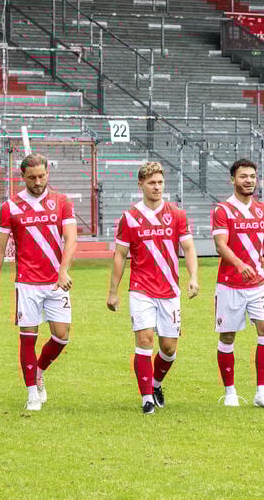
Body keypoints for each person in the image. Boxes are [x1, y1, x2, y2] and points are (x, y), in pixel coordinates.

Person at [0, 154, 78, 412]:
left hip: (56, 282)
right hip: (26, 282)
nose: (38, 182)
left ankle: (38, 370)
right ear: (22, 177)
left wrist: (63, 271)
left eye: (42, 176)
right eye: (32, 177)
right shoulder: (10, 207)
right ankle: (31, 394)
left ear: (48, 173)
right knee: (28, 338)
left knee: (61, 336)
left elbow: (71, 239)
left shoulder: (62, 202)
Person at [107, 162, 199, 414]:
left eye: (160, 182)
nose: (157, 187)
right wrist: (113, 291)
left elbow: (189, 248)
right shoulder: (129, 217)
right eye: (151, 183)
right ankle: (146, 398)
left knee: (168, 349)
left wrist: (193, 276)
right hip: (141, 289)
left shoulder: (177, 214)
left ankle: (156, 384)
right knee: (145, 339)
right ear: (141, 185)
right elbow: (120, 255)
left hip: (169, 290)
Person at [211, 158, 264, 409]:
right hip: (230, 284)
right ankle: (230, 391)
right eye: (243, 176)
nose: (249, 181)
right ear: (232, 179)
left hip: (258, 283)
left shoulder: (263, 210)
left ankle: (262, 392)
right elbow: (220, 245)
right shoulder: (222, 210)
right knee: (228, 336)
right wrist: (239, 264)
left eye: (252, 176)